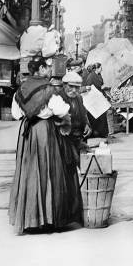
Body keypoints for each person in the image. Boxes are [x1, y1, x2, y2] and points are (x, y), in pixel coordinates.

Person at [9, 58, 82, 234]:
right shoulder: (48, 89)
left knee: (29, 173)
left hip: (27, 133)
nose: (49, 70)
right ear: (41, 69)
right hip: (45, 132)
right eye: (47, 67)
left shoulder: (21, 89)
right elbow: (62, 109)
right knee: (48, 171)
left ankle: (31, 219)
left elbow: (15, 113)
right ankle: (48, 219)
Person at [61, 71, 92, 152]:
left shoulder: (79, 98)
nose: (74, 90)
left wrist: (87, 125)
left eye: (77, 87)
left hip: (79, 138)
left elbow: (83, 114)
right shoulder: (59, 98)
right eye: (71, 86)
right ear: (64, 85)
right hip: (65, 141)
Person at [84, 62, 109, 138]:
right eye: (101, 68)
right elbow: (90, 87)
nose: (102, 69)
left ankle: (103, 133)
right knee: (96, 116)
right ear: (97, 68)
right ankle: (96, 132)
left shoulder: (99, 75)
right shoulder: (91, 76)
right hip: (94, 98)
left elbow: (101, 84)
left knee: (102, 115)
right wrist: (101, 88)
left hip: (100, 97)